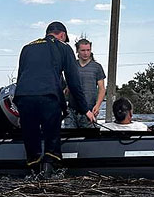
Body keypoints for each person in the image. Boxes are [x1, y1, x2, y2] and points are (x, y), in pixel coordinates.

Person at [14, 21, 96, 177]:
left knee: (31, 137)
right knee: (52, 137)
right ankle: (49, 171)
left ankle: (34, 171)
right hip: (48, 97)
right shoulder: (63, 47)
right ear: (62, 35)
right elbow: (73, 81)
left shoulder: (27, 48)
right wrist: (85, 109)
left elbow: (22, 76)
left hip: (23, 96)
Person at [64, 38, 106, 128]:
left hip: (89, 111)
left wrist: (98, 105)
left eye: (88, 50)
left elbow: (102, 89)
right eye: (83, 50)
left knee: (88, 139)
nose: (86, 53)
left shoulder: (97, 67)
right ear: (77, 51)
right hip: (71, 111)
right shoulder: (72, 65)